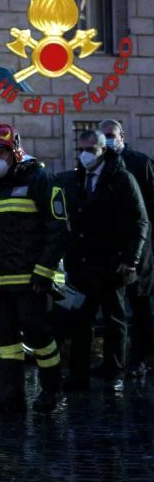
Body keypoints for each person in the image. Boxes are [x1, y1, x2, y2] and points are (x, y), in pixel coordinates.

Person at [0, 123, 67, 413]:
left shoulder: (41, 180)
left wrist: (44, 271)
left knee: (39, 336)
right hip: (0, 280)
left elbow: (57, 229)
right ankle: (9, 393)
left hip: (31, 279)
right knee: (4, 339)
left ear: (14, 150)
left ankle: (52, 391)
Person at [58, 130, 149, 392]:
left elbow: (139, 220)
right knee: (81, 320)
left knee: (114, 318)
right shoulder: (76, 179)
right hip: (83, 262)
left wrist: (130, 258)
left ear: (103, 151)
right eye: (82, 149)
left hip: (112, 262)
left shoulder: (122, 179)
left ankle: (113, 370)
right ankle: (78, 375)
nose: (85, 154)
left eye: (91, 149)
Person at [99, 119, 154, 378]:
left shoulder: (141, 163)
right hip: (111, 249)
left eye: (111, 135)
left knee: (140, 304)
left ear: (122, 135)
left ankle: (140, 359)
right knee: (114, 308)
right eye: (103, 136)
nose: (107, 139)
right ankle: (114, 361)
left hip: (141, 247)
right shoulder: (100, 165)